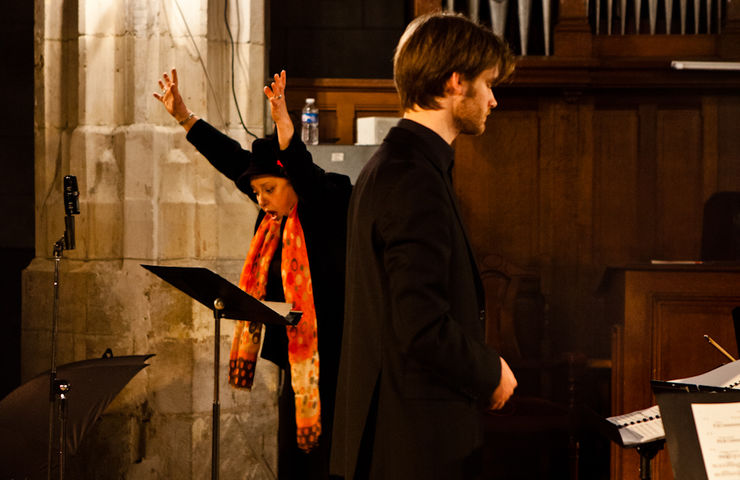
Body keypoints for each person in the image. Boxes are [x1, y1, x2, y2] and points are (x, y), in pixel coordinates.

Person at [330, 12, 518, 480]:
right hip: (413, 445)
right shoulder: (414, 178)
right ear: (455, 82)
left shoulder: (391, 165)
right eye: (487, 84)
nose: (493, 99)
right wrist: (489, 371)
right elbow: (419, 323)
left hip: (394, 437)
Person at [154, 69, 351, 479]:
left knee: (328, 451)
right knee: (293, 453)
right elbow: (230, 159)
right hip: (291, 349)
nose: (260, 200)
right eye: (256, 192)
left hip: (333, 352)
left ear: (291, 180)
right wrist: (185, 118)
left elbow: (307, 177)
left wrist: (285, 132)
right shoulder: (276, 211)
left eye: (268, 190)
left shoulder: (325, 200)